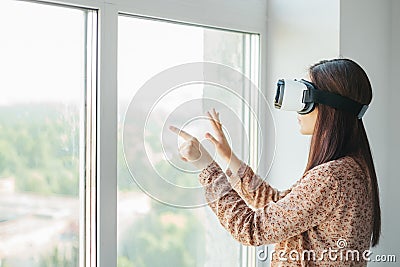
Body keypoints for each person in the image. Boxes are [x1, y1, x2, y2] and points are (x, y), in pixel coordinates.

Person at [169, 58, 380, 266]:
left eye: (304, 98)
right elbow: (278, 205)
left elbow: (251, 229)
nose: (297, 110)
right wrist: (228, 157)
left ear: (330, 107)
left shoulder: (332, 177)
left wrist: (206, 167)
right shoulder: (353, 168)